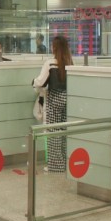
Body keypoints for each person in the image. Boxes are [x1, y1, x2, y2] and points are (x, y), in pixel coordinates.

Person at [32, 36, 73, 172]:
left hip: (54, 99)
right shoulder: (70, 63)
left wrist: (33, 82)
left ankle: (56, 165)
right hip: (67, 99)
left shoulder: (50, 63)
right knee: (64, 131)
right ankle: (66, 163)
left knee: (53, 131)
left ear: (54, 48)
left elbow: (40, 82)